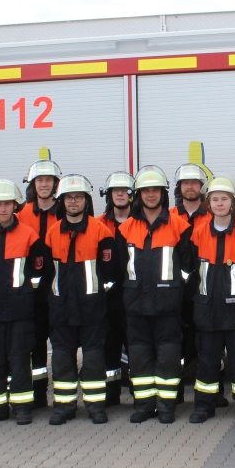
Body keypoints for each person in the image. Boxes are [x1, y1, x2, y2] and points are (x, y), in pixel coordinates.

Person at [185, 176, 235, 424]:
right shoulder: (197, 234)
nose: (219, 203)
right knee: (207, 362)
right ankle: (204, 407)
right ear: (208, 204)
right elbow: (190, 271)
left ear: (233, 203)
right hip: (207, 310)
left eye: (224, 199)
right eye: (215, 199)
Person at [119, 165, 192, 424]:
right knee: (139, 358)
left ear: (164, 193)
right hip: (136, 306)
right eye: (146, 190)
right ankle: (144, 406)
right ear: (138, 195)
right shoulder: (126, 228)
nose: (151, 195)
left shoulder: (180, 226)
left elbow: (188, 268)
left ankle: (166, 406)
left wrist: (176, 294)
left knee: (169, 357)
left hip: (168, 307)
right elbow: (121, 270)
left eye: (156, 190)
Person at [44, 175, 117, 425]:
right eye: (68, 197)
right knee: (62, 358)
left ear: (86, 201)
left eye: (78, 197)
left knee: (94, 358)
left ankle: (95, 405)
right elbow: (47, 275)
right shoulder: (52, 233)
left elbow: (111, 274)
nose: (73, 202)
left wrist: (99, 298)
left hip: (92, 309)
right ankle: (64, 406)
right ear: (62, 201)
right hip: (61, 309)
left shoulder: (101, 232)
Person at [0, 180, 41, 426]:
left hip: (20, 310)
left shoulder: (29, 236)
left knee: (20, 358)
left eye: (8, 204)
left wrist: (26, 296)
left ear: (15, 206)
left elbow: (37, 274)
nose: (3, 208)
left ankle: (22, 407)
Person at [19, 159, 63, 409]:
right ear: (33, 185)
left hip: (58, 291)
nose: (44, 185)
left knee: (60, 346)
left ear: (55, 184)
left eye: (48, 180)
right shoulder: (22, 214)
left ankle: (62, 394)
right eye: (40, 181)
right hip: (32, 295)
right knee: (35, 346)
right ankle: (38, 396)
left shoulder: (67, 211)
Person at [172, 163, 210, 404]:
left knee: (204, 338)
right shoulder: (169, 216)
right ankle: (176, 387)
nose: (190, 187)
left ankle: (206, 389)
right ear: (179, 188)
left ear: (201, 187)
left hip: (204, 288)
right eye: (185, 183)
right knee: (177, 338)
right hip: (176, 291)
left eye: (194, 183)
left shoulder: (211, 215)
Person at [100, 171, 135, 406]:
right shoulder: (98, 224)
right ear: (109, 195)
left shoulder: (141, 222)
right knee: (109, 346)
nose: (120, 194)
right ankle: (111, 393)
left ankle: (138, 393)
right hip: (108, 299)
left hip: (135, 296)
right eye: (115, 191)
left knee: (136, 346)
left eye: (124, 190)